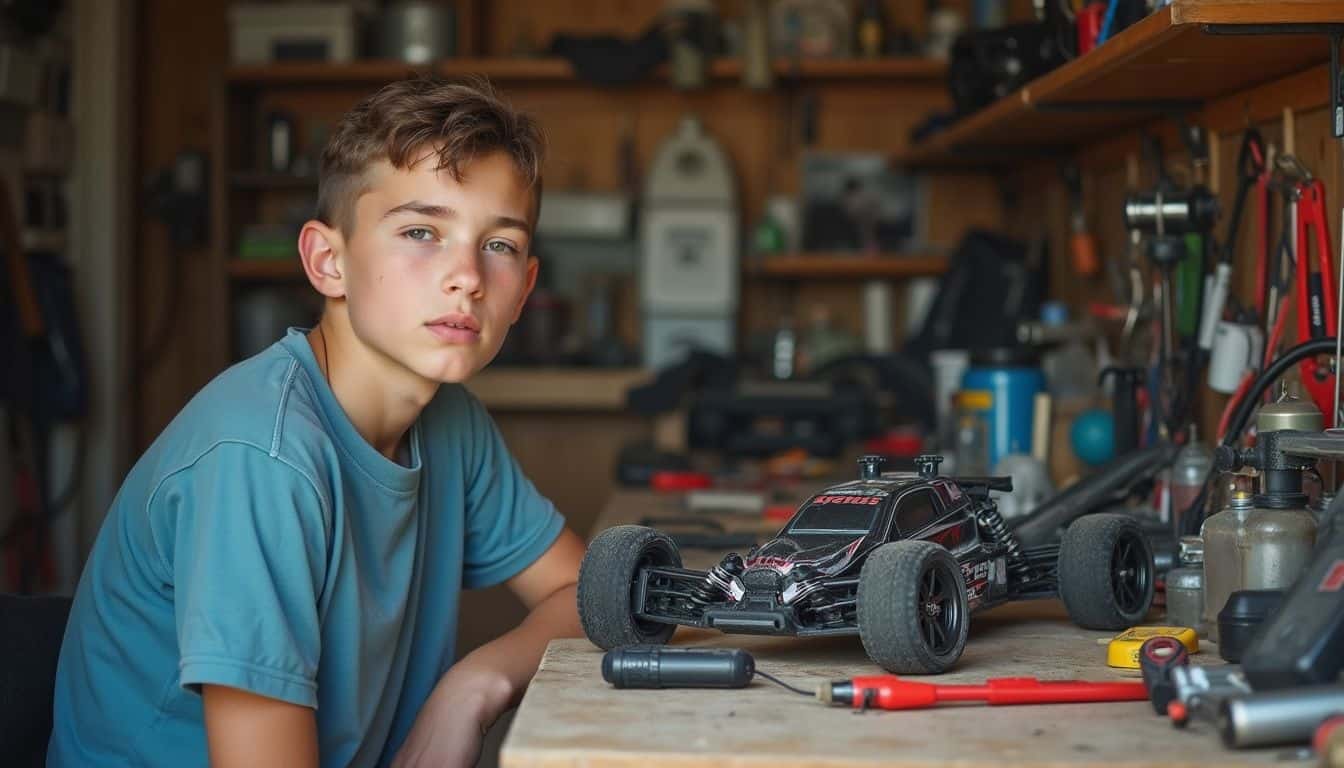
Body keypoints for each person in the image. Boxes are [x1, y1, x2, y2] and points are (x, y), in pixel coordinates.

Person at [48, 77, 585, 768]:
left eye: (499, 245)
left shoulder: (451, 422)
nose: (467, 277)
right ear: (329, 262)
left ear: (526, 290)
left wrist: (473, 686)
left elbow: (584, 593)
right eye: (422, 231)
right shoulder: (263, 456)